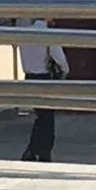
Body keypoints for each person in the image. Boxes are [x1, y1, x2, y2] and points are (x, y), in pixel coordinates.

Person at [17, 20, 67, 162]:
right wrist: (65, 71)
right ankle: (40, 151)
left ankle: (33, 150)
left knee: (41, 116)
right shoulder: (48, 34)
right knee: (47, 118)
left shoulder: (23, 35)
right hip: (45, 77)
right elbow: (59, 57)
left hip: (29, 76)